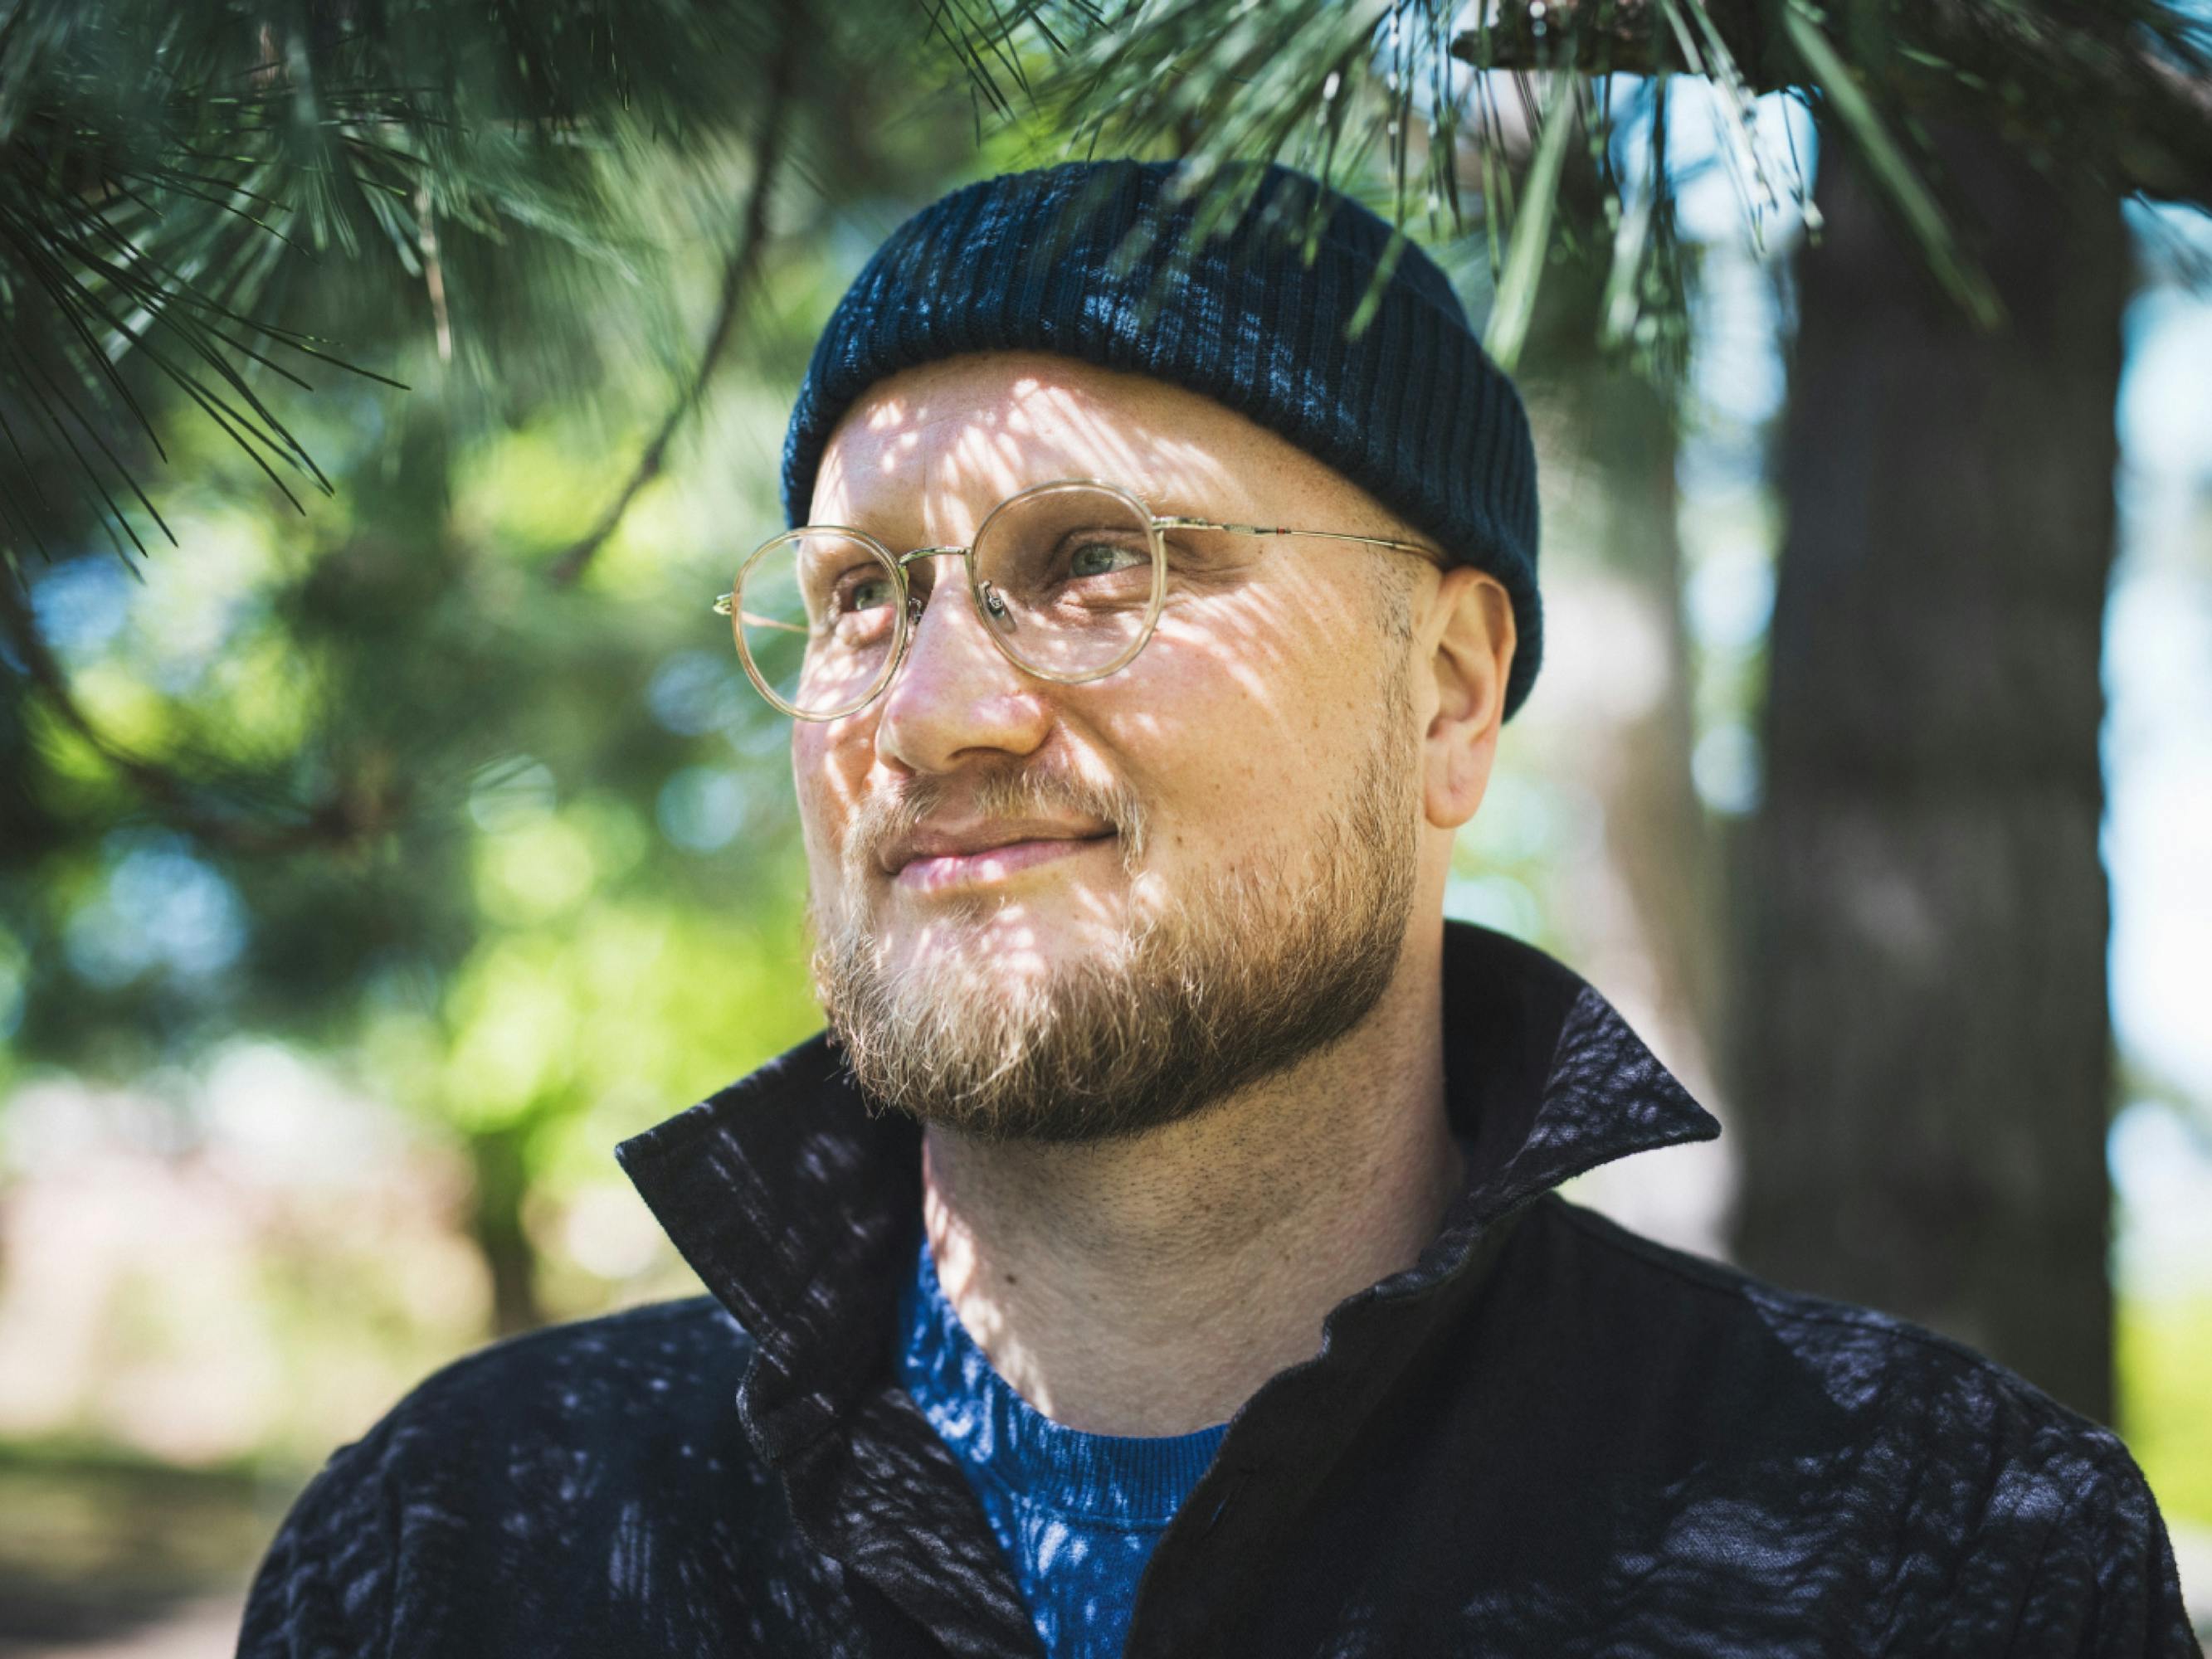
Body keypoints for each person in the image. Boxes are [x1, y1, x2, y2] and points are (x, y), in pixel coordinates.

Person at [236, 158, 2197, 1659]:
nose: (927, 715)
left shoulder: (1931, 1552)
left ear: (1441, 689)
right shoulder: (468, 1544)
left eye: (1090, 561)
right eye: (859, 597)